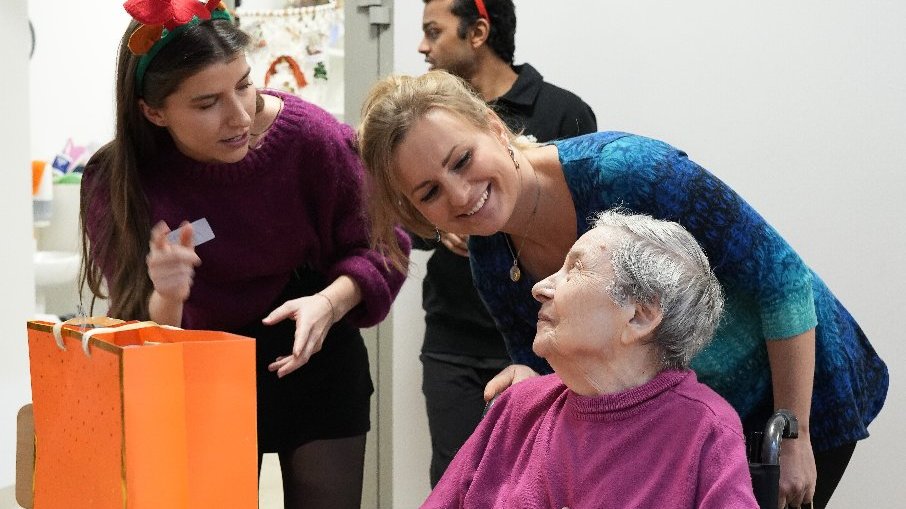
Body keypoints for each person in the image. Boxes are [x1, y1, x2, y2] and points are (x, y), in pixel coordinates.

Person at [358, 71, 889, 509]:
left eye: (461, 160)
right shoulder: (493, 262)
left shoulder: (628, 172)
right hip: (680, 422)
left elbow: (782, 279)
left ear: (495, 128)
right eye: (429, 191)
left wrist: (792, 432)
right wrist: (526, 375)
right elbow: (556, 372)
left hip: (796, 389)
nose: (459, 193)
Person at [79, 4, 409, 509]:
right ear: (153, 111)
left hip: (313, 357)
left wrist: (329, 303)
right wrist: (166, 295)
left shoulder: (310, 139)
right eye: (208, 102)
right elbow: (144, 340)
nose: (240, 116)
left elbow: (384, 246)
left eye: (244, 84)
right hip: (198, 372)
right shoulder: (118, 182)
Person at [422, 210, 759, 508]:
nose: (540, 287)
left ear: (639, 317)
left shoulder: (705, 432)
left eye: (575, 269)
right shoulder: (519, 407)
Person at [415, 0, 597, 487]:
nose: (422, 46)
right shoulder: (425, 123)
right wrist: (439, 225)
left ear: (477, 32)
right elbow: (405, 221)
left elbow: (590, 232)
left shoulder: (564, 112)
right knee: (458, 483)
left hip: (550, 339)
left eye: (434, 31)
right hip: (453, 339)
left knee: (545, 482)